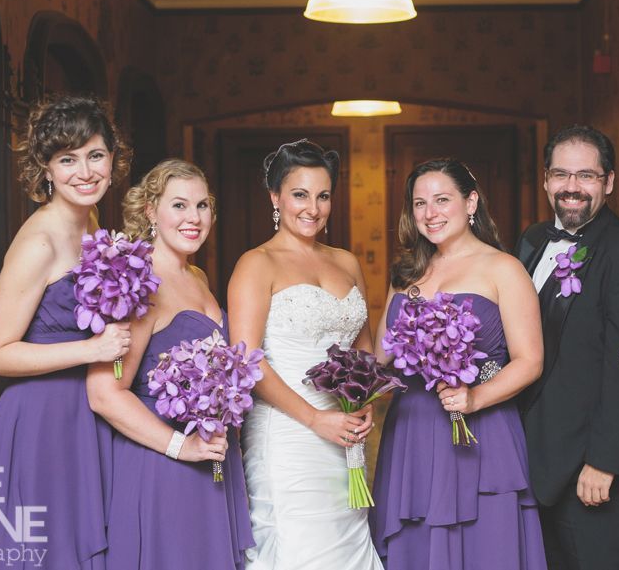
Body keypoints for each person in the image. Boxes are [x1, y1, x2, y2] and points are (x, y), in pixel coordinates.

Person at [0, 95, 132, 569]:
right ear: (45, 168)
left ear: (112, 159)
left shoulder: (93, 226)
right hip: (41, 422)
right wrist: (92, 348)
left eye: (95, 155)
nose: (85, 171)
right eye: (68, 159)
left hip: (84, 416)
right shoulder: (39, 241)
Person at [369, 158, 547, 570]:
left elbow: (530, 360)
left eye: (442, 199)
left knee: (485, 549)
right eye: (419, 203)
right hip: (413, 428)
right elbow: (383, 358)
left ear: (471, 202)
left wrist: (475, 398)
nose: (430, 213)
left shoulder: (503, 268)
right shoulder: (406, 273)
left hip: (480, 429)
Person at [515, 125, 619, 570]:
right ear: (546, 180)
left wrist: (605, 461)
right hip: (532, 457)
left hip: (590, 472)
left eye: (586, 175)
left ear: (609, 182)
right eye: (561, 175)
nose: (572, 187)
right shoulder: (532, 239)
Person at [87, 159, 254, 569]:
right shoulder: (140, 282)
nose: (193, 218)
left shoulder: (196, 276)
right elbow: (105, 394)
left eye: (202, 206)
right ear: (150, 211)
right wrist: (183, 447)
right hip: (163, 465)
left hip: (213, 459)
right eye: (179, 205)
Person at [227, 139, 381, 570]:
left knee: (346, 543)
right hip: (290, 434)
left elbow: (362, 347)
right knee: (302, 548)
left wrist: (364, 402)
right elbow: (248, 361)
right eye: (299, 194)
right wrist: (316, 418)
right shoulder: (256, 264)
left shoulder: (347, 262)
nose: (313, 208)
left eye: (323, 195)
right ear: (275, 197)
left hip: (345, 433)